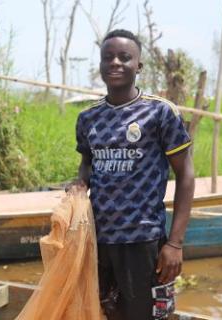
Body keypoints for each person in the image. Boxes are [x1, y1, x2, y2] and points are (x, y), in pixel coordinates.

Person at [73, 29, 195, 320]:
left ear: (138, 66)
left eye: (124, 57)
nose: (115, 63)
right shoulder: (88, 118)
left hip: (144, 242)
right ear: (100, 66)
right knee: (108, 313)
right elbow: (87, 163)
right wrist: (80, 182)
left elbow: (186, 176)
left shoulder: (160, 113)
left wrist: (174, 243)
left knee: (150, 316)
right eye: (108, 57)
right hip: (100, 241)